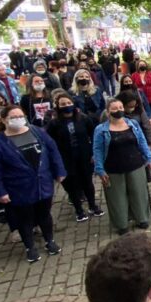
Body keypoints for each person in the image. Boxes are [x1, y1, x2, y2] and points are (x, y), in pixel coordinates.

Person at [0, 105, 66, 262]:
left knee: (44, 214)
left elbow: (53, 150)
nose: (18, 120)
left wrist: (60, 171)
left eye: (20, 116)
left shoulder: (37, 131)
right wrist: (1, 192)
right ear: (2, 120)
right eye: (13, 117)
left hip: (42, 183)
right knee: (25, 219)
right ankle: (30, 246)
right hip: (18, 188)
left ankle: (50, 241)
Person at [93, 99, 151, 233]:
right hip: (113, 168)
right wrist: (99, 169)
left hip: (135, 165)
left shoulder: (132, 124)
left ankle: (142, 218)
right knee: (117, 197)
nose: (119, 110)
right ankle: (121, 224)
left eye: (121, 107)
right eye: (115, 108)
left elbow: (142, 141)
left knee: (139, 193)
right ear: (108, 112)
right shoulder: (101, 129)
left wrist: (149, 158)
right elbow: (97, 150)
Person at [46, 94, 102, 222]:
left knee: (87, 182)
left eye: (68, 103)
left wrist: (94, 153)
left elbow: (93, 135)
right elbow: (50, 143)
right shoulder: (54, 124)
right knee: (72, 185)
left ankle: (93, 206)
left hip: (84, 156)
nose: (67, 106)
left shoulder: (83, 119)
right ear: (58, 107)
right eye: (63, 104)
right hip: (66, 158)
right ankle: (79, 209)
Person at [132, 61, 151, 128]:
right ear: (138, 66)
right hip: (140, 97)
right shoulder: (134, 75)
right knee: (141, 111)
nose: (142, 65)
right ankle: (144, 124)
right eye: (140, 64)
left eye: (143, 64)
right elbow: (132, 85)